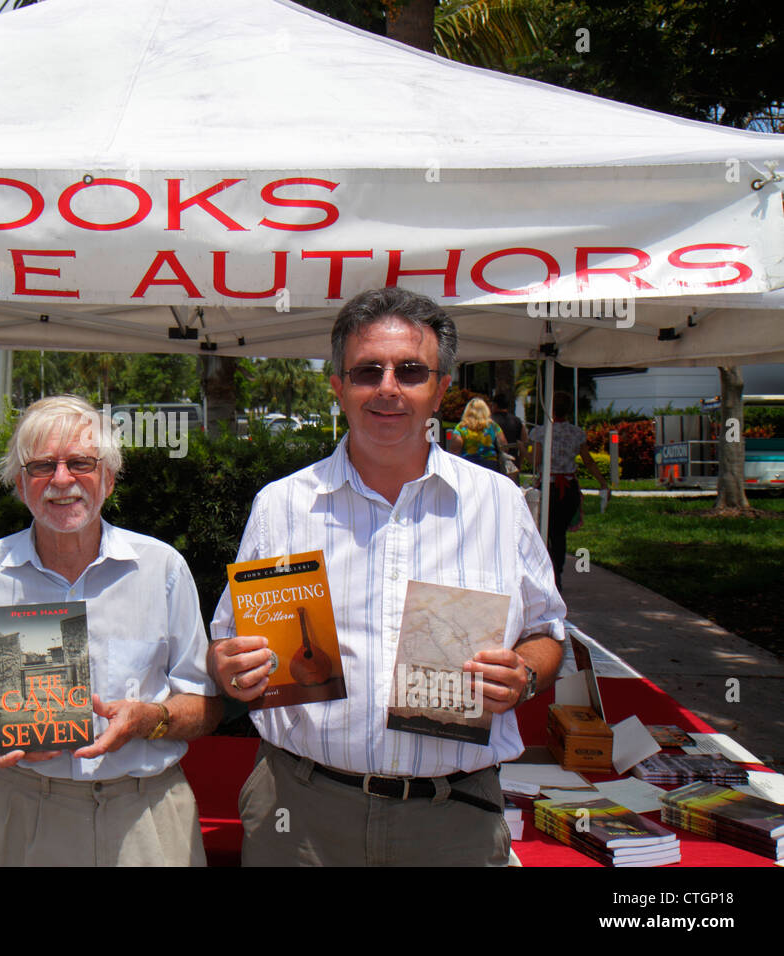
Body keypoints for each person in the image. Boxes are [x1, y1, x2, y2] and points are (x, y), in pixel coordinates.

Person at [209, 286, 566, 867]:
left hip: (452, 823)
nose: (388, 388)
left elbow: (550, 632)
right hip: (300, 816)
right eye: (367, 370)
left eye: (410, 371)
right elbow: (228, 645)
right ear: (338, 386)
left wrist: (524, 674)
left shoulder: (499, 504)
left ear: (441, 390)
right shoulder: (282, 507)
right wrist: (229, 666)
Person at [0, 395, 221, 866]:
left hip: (143, 811)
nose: (63, 479)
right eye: (42, 465)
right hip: (22, 807)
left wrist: (148, 720)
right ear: (19, 482)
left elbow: (207, 705)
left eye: (81, 463)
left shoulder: (161, 569)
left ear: (109, 478)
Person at [529, 391, 610, 594]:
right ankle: (558, 575)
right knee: (559, 535)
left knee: (543, 533)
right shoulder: (576, 433)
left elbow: (536, 462)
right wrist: (602, 482)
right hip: (568, 487)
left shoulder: (541, 432)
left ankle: (545, 574)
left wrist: (525, 451)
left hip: (548, 485)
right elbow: (589, 461)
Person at [446, 397, 508, 474]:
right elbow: (504, 446)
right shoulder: (493, 426)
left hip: (468, 465)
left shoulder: (461, 427)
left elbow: (454, 451)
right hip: (490, 466)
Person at [490, 391, 527, 481]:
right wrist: (520, 463)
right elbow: (524, 442)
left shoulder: (489, 421)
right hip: (512, 465)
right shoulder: (517, 421)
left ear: (494, 405)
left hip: (493, 464)